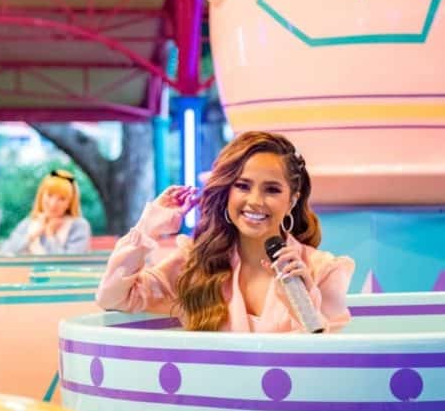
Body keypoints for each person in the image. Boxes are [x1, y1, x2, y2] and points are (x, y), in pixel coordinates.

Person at [96, 131, 354, 333]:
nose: (255, 201)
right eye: (242, 186)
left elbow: (335, 363)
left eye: (272, 189)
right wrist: (148, 228)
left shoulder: (322, 271)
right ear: (227, 192)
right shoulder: (193, 265)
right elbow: (113, 297)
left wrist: (304, 308)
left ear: (292, 200)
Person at [1, 169, 91, 255]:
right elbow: (6, 251)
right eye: (49, 195)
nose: (53, 204)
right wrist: (32, 235)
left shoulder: (79, 226)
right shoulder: (29, 222)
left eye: (62, 199)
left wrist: (50, 235)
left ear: (70, 202)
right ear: (41, 195)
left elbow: (71, 262)